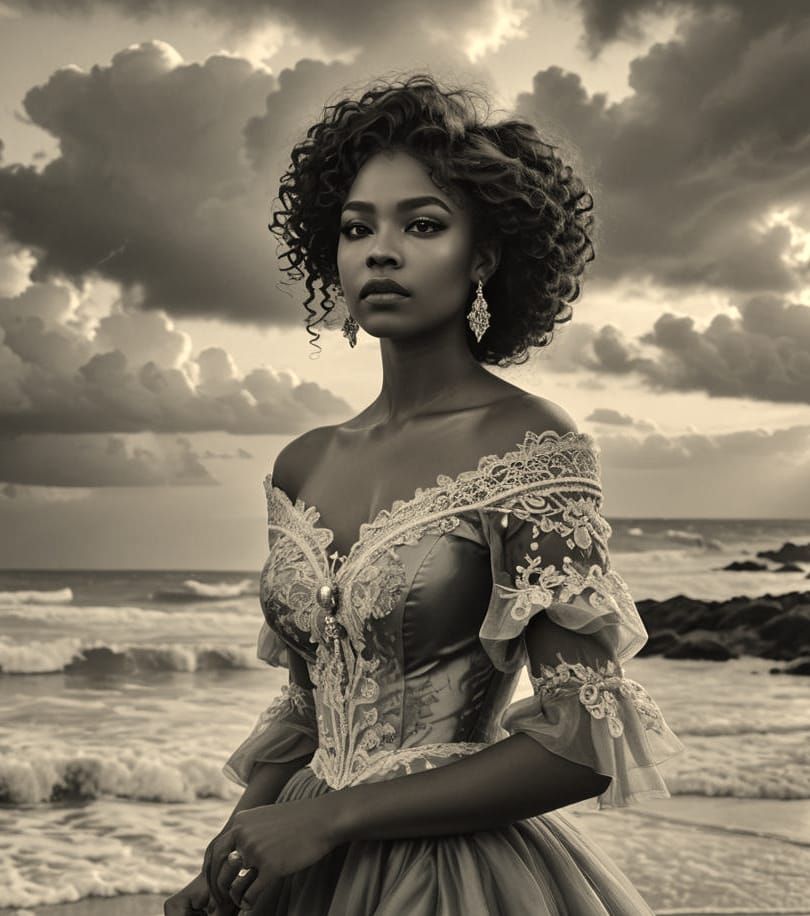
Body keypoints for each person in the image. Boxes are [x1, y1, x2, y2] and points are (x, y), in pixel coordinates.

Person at [165, 73, 684, 916]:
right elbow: (307, 708)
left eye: (423, 225)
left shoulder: (530, 445)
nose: (381, 249)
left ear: (483, 255)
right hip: (299, 866)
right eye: (356, 228)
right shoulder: (301, 464)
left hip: (450, 877)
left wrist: (337, 818)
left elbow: (584, 737)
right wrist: (227, 856)